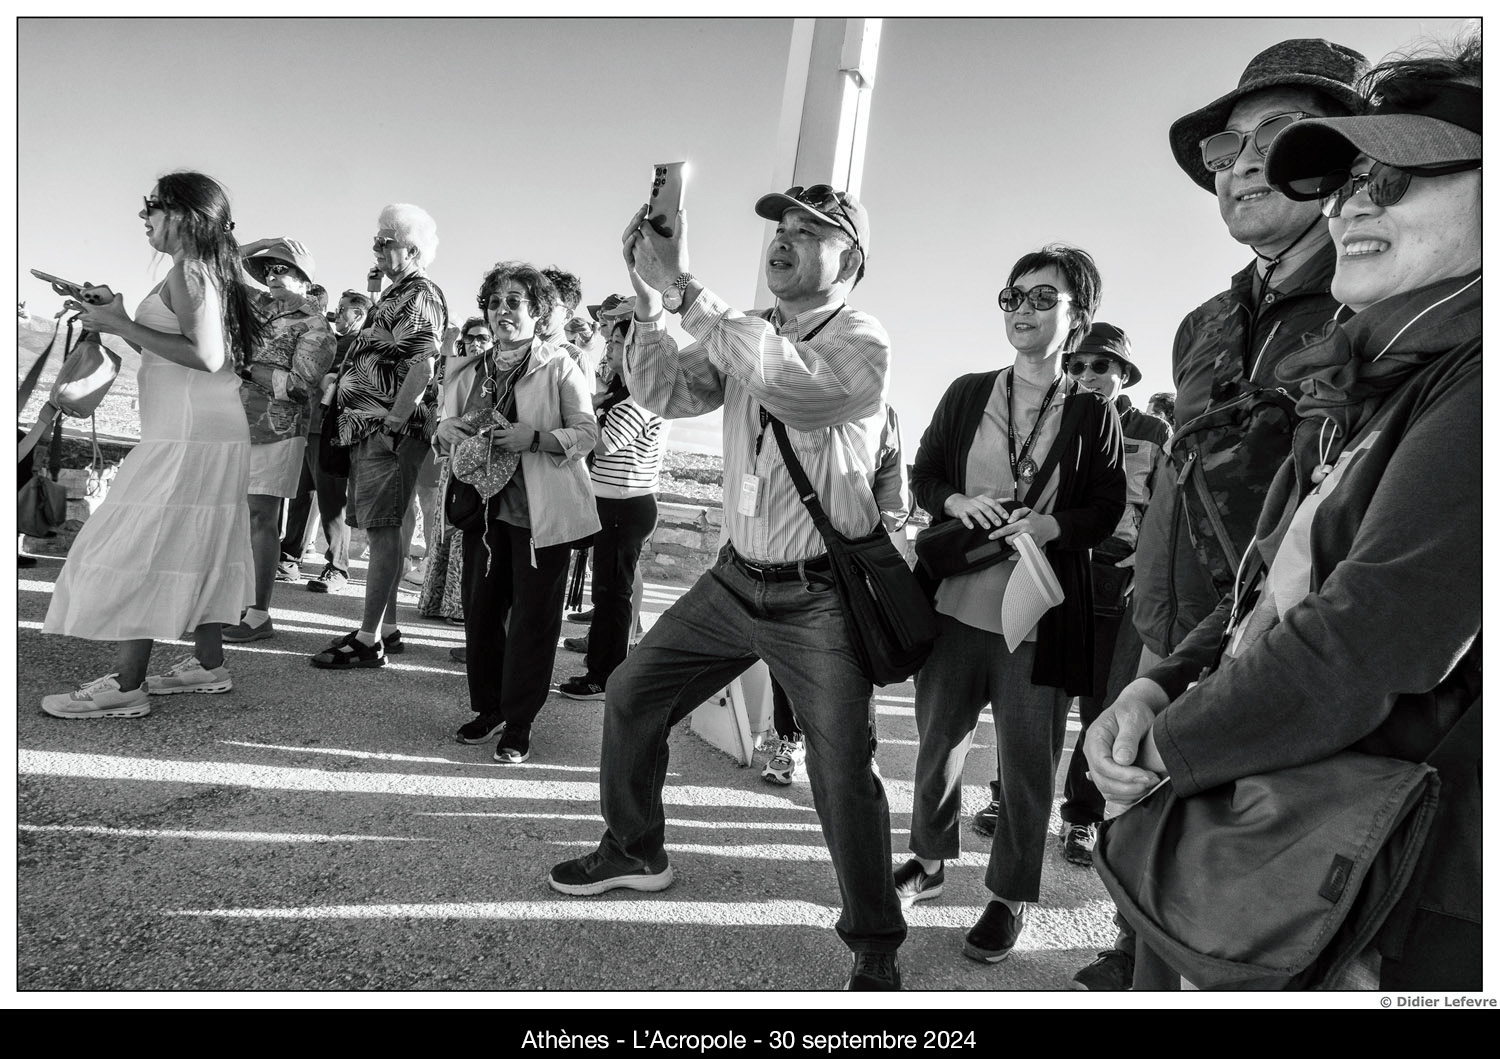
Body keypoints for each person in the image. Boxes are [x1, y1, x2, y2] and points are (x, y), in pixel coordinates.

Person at [1087, 31, 1481, 991]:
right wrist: (1158, 683)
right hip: (1240, 715)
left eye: (1394, 176)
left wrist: (1170, 743)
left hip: (1385, 855)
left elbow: (1370, 634)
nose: (1353, 204)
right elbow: (1264, 575)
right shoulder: (1369, 370)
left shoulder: (1460, 376)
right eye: (1345, 181)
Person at [548, 183, 907, 992]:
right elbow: (664, 392)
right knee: (634, 690)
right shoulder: (746, 328)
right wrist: (648, 304)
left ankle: (875, 937)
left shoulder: (861, 338)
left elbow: (800, 392)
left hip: (818, 596)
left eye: (808, 231)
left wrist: (683, 288)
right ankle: (635, 849)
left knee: (841, 771)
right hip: (736, 578)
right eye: (781, 227)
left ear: (850, 257)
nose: (783, 239)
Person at [1079, 36, 1370, 993]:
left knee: (1253, 902)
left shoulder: (1377, 305)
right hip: (1169, 624)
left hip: (1283, 653)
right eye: (1224, 146)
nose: (1241, 163)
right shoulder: (1203, 322)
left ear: (1354, 149)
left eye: (1277, 133)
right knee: (1141, 825)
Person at [898, 245, 1124, 966]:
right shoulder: (968, 392)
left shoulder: (1094, 413)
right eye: (1013, 296)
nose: (1023, 309)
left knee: (1028, 762)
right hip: (954, 605)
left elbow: (1106, 508)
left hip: (1037, 615)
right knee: (938, 743)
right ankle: (928, 860)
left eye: (1043, 298)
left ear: (1078, 317)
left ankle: (1010, 895)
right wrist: (954, 502)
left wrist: (1051, 526)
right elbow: (924, 475)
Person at [41, 171, 265, 715]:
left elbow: (207, 356)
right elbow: (184, 355)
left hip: (187, 433)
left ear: (185, 215)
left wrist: (119, 322)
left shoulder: (190, 271)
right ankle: (207, 664)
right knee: (202, 541)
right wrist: (112, 316)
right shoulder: (205, 270)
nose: (144, 217)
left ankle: (126, 686)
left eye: (153, 206)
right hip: (207, 427)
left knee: (140, 543)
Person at [438, 263, 599, 762]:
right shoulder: (469, 369)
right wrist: (443, 431)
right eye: (494, 302)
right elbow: (444, 427)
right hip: (482, 515)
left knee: (534, 622)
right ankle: (489, 709)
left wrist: (536, 439)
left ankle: (520, 722)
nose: (502, 310)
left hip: (539, 518)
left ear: (539, 313)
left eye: (514, 302)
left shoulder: (560, 365)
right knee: (482, 616)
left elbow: (587, 433)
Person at [1052, 323, 1169, 866]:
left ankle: (1082, 815)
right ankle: (1011, 798)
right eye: (1076, 365)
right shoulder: (1053, 417)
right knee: (1037, 697)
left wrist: (1145, 560)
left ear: (1123, 373)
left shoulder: (1154, 431)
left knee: (1103, 704)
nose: (1086, 374)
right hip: (1057, 569)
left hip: (1117, 580)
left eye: (1100, 365)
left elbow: (1167, 508)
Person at [311, 204, 447, 669]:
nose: (375, 248)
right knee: (385, 526)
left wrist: (393, 421)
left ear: (412, 249)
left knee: (384, 529)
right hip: (375, 428)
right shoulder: (399, 292)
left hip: (387, 431)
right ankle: (385, 628)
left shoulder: (420, 293)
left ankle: (368, 640)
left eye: (384, 241)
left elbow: (423, 363)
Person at [760, 402, 908, 785]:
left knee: (850, 661)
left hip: (836, 566)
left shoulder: (880, 411)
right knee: (791, 659)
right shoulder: (783, 398)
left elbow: (893, 501)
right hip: (797, 559)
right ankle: (801, 742)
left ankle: (856, 754)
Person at [222, 238, 336, 644]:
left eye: (281, 268)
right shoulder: (256, 306)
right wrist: (264, 244)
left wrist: (245, 367)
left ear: (305, 278)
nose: (271, 276)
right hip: (231, 422)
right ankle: (231, 604)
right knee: (232, 516)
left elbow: (301, 386)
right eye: (267, 269)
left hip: (276, 430)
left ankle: (258, 613)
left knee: (260, 517)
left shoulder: (317, 329)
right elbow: (214, 263)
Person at [558, 298, 666, 701]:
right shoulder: (623, 393)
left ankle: (605, 677)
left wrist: (583, 414)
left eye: (618, 344)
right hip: (614, 504)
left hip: (624, 505)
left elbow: (603, 444)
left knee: (613, 594)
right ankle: (601, 670)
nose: (610, 349)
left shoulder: (640, 396)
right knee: (607, 592)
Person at [278, 288, 371, 595]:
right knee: (300, 495)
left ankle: (338, 567)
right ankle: (289, 557)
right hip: (309, 425)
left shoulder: (360, 343)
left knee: (332, 501)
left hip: (333, 430)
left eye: (343, 309)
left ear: (359, 314)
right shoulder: (334, 339)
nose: (336, 314)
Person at [419, 315, 492, 631]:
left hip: (483, 464)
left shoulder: (497, 372)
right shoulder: (457, 370)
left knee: (468, 533)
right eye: (471, 338)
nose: (476, 343)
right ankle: (437, 601)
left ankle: (461, 606)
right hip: (452, 459)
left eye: (483, 338)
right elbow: (440, 408)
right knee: (446, 529)